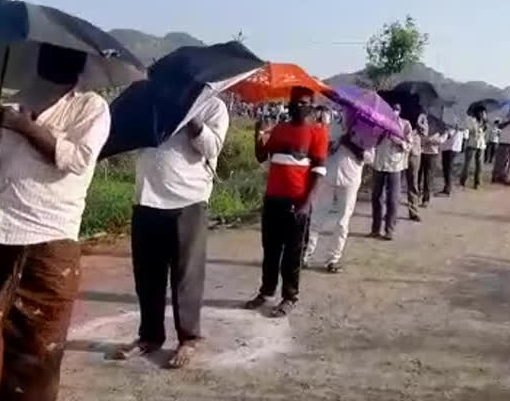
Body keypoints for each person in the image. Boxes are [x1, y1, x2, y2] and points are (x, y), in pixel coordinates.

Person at [0, 44, 110, 400]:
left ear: (78, 64)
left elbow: (76, 160)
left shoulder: (91, 108)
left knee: (39, 350)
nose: (51, 58)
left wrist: (25, 127)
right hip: (1, 231)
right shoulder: (17, 99)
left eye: (61, 54)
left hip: (50, 241)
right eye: (47, 52)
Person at [113, 95, 229, 368]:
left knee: (185, 276)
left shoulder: (214, 107)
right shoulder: (154, 101)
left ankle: (189, 338)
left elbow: (212, 148)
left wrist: (192, 118)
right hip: (146, 197)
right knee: (147, 276)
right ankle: (150, 336)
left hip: (188, 201)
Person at [244, 87, 328, 317]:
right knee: (270, 250)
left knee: (292, 254)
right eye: (296, 103)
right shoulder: (279, 129)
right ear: (289, 105)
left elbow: (319, 172)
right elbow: (262, 156)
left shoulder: (318, 133)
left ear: (311, 106)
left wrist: (306, 204)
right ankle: (266, 291)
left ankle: (290, 296)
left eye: (305, 103)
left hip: (297, 203)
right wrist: (257, 134)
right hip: (273, 199)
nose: (300, 107)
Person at [304, 114, 373, 272]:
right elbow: (320, 147)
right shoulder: (333, 125)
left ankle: (333, 260)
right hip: (328, 175)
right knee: (317, 217)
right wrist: (332, 144)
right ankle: (305, 255)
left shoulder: (368, 132)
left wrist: (350, 144)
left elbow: (369, 158)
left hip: (350, 179)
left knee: (342, 221)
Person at [370, 104, 411, 240]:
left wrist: (397, 140)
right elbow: (371, 139)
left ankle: (389, 230)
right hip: (379, 163)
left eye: (397, 109)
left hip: (395, 166)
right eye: (392, 108)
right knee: (376, 197)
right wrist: (381, 133)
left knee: (392, 199)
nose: (394, 111)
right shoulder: (379, 121)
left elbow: (409, 145)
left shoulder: (405, 125)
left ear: (400, 111)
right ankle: (375, 229)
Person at [406, 113, 428, 222]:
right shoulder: (398, 110)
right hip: (399, 152)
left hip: (414, 153)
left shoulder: (421, 115)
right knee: (392, 184)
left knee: (413, 183)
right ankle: (390, 212)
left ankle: (413, 211)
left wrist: (419, 124)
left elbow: (425, 132)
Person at [419, 127, 446, 207]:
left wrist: (429, 140)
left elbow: (442, 140)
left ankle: (426, 199)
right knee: (417, 176)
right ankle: (416, 195)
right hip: (421, 152)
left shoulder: (442, 127)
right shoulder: (423, 123)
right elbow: (419, 137)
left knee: (428, 177)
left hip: (433, 154)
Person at [460, 109, 487, 189]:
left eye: (484, 113)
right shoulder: (471, 120)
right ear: (477, 112)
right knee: (467, 164)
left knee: (479, 165)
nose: (483, 114)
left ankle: (477, 182)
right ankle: (463, 180)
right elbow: (471, 130)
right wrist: (480, 127)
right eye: (482, 112)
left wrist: (484, 125)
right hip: (472, 144)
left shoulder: (485, 123)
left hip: (481, 145)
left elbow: (485, 134)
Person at [439, 126, 463, 196]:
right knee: (448, 168)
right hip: (453, 147)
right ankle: (448, 187)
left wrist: (445, 131)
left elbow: (447, 136)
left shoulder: (453, 127)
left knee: (447, 168)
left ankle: (447, 189)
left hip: (449, 148)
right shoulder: (460, 127)